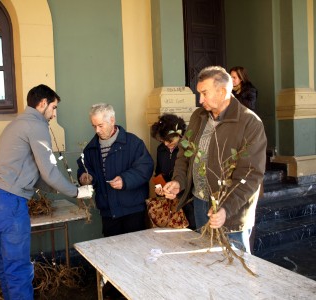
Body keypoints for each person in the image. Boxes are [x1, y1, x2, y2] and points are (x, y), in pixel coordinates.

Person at [0, 84, 93, 300]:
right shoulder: (36, 125)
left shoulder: (16, 124)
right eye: (53, 108)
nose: (54, 114)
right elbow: (49, 171)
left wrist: (60, 188)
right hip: (12, 202)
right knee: (19, 269)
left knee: (8, 265)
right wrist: (77, 192)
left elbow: (38, 176)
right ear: (42, 103)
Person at [163, 66, 267, 253]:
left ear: (222, 91)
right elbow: (184, 153)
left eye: (204, 93)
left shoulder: (250, 123)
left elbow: (251, 175)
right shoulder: (198, 116)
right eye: (199, 94)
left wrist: (226, 209)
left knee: (235, 268)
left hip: (231, 213)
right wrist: (179, 181)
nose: (200, 100)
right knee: (206, 261)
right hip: (200, 203)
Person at [77, 103, 154, 237]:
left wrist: (125, 180)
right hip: (108, 211)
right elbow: (85, 168)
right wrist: (85, 177)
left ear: (112, 120)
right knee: (111, 251)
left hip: (133, 210)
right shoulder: (91, 148)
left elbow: (145, 168)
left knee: (136, 249)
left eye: (100, 125)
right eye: (94, 126)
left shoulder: (133, 143)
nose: (97, 130)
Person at [150, 113, 196, 229]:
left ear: (179, 134)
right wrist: (159, 187)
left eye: (169, 140)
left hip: (188, 201)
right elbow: (159, 172)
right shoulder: (161, 149)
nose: (166, 144)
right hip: (169, 203)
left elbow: (193, 177)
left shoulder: (189, 148)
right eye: (162, 140)